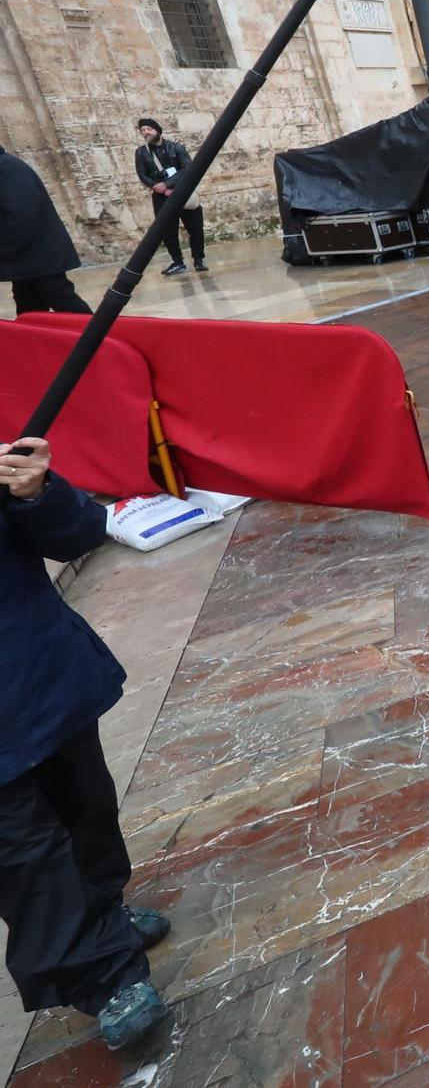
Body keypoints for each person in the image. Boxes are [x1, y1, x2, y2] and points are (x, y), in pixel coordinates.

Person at [0, 436, 173, 1051]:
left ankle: (105, 908)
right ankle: (105, 976)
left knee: (88, 812)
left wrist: (37, 492)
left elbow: (76, 535)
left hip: (39, 677)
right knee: (25, 862)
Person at [1, 144, 90, 315]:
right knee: (30, 312)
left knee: (63, 302)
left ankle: (98, 339)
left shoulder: (8, 169)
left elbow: (21, 217)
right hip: (27, 260)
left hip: (38, 256)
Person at [133, 119, 203, 275]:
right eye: (142, 130)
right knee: (167, 231)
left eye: (149, 129)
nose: (146, 132)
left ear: (157, 130)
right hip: (161, 196)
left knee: (195, 228)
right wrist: (160, 188)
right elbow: (142, 175)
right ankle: (178, 262)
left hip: (183, 193)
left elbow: (187, 169)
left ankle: (199, 259)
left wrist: (170, 185)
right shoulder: (141, 152)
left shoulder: (176, 148)